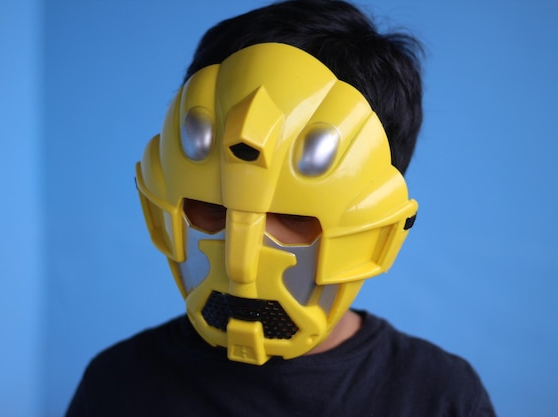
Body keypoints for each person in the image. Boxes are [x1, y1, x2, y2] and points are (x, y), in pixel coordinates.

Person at [66, 0, 496, 415]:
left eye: (292, 217)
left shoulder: (438, 397)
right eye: (210, 208)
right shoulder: (119, 385)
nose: (241, 263)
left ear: (378, 233)